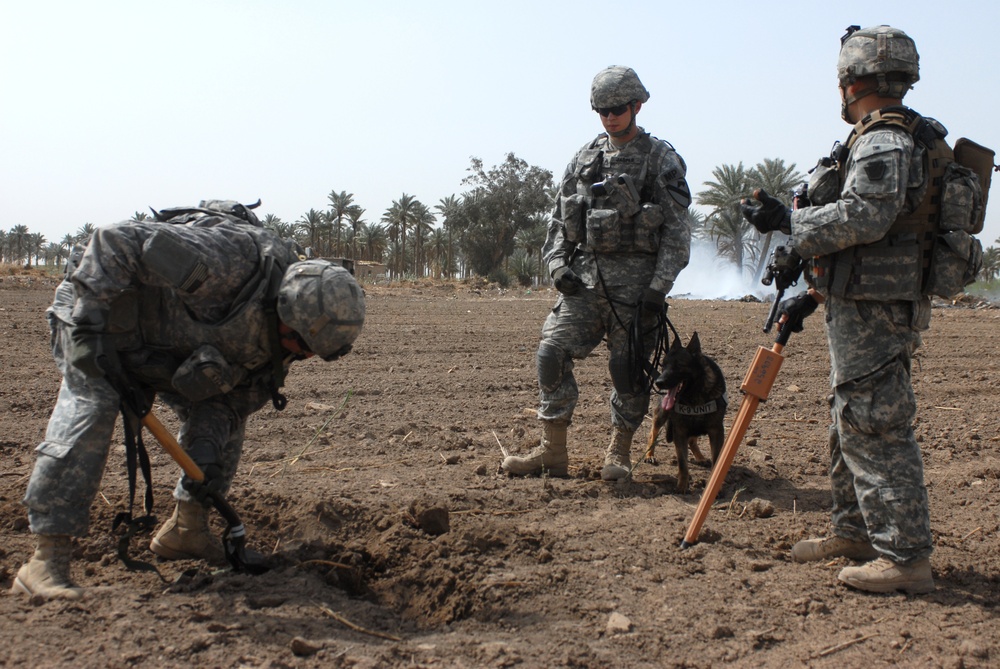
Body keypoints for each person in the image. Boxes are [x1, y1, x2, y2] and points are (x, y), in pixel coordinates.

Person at [12, 200, 366, 600]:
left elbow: (228, 401)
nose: (301, 356)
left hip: (169, 349)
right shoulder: (227, 265)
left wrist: (205, 456)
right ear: (285, 312)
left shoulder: (282, 343)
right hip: (102, 318)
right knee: (93, 408)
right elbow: (114, 241)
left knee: (228, 429)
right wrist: (91, 319)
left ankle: (187, 530)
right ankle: (45, 562)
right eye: (301, 345)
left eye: (311, 353)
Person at [741, 25, 965, 594]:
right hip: (860, 300)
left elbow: (865, 219)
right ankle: (855, 530)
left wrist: (787, 222)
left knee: (875, 424)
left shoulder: (885, 140)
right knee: (850, 419)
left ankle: (905, 556)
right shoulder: (884, 136)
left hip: (877, 308)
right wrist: (814, 289)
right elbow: (877, 234)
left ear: (852, 81)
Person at [502, 66, 691, 481]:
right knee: (550, 353)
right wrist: (557, 265)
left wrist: (658, 289)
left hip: (636, 292)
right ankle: (553, 452)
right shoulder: (584, 158)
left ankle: (619, 453)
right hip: (584, 284)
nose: (610, 117)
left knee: (628, 370)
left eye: (618, 108)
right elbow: (558, 223)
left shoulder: (661, 159)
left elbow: (677, 234)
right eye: (602, 110)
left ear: (637, 105)